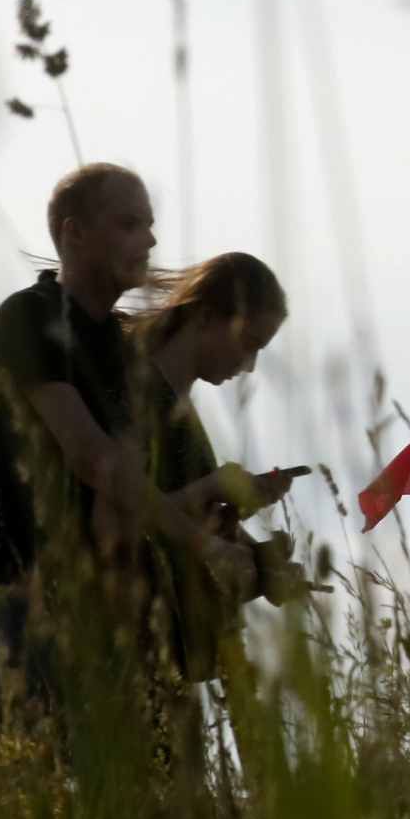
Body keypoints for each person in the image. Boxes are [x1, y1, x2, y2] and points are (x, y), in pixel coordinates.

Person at [0, 163, 256, 740]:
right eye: (129, 224)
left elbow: (147, 495)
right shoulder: (29, 319)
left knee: (161, 817)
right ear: (75, 234)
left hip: (112, 618)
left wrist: (248, 555)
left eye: (150, 224)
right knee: (42, 810)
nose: (150, 240)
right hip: (23, 609)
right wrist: (202, 545)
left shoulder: (125, 354)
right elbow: (93, 459)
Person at [124, 250, 315, 690]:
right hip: (135, 650)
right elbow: (124, 516)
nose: (248, 365)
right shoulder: (139, 396)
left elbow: (190, 527)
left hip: (176, 654)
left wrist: (263, 567)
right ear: (207, 317)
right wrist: (212, 487)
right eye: (248, 344)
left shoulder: (182, 412)